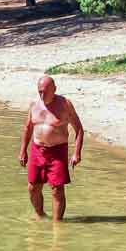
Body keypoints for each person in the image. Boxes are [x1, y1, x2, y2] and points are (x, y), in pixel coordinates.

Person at [18, 75, 84, 221]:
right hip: (37, 150)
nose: (42, 95)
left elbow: (78, 129)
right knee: (33, 188)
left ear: (54, 89)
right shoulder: (34, 105)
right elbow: (28, 128)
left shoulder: (65, 104)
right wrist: (23, 151)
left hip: (57, 151)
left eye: (45, 91)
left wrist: (76, 153)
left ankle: (57, 224)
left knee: (57, 190)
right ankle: (40, 215)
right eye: (39, 91)